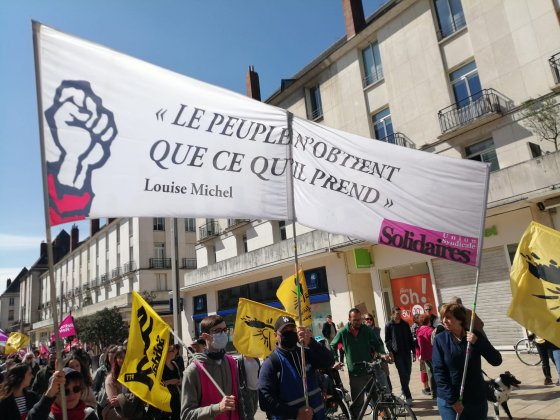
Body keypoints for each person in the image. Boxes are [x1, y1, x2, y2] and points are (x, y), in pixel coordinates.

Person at [432, 303, 502, 420]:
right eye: (442, 317)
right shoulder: (440, 340)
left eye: (448, 317)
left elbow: (496, 360)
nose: (444, 321)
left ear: (460, 319)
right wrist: (453, 401)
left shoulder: (474, 336)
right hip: (450, 401)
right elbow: (438, 372)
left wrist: (478, 342)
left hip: (476, 399)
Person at [259, 315, 334, 420]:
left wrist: (311, 342)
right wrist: (295, 413)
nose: (289, 332)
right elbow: (265, 401)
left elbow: (329, 361)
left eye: (292, 329)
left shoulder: (305, 354)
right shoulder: (271, 363)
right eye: (285, 330)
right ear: (276, 335)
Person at [181, 315, 241, 420]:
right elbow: (186, 415)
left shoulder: (231, 362)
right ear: (205, 336)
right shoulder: (193, 371)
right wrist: (217, 408)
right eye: (218, 331)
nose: (223, 334)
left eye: (224, 330)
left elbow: (239, 401)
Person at [331, 308, 388, 417]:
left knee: (379, 401)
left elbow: (377, 343)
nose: (358, 322)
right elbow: (333, 345)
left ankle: (385, 417)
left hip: (369, 371)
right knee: (358, 404)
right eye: (355, 320)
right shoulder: (343, 332)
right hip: (355, 374)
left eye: (359, 319)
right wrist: (335, 360)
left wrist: (382, 353)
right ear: (349, 319)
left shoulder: (366, 329)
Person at [27, 367, 98, 420]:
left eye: (76, 389)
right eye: (65, 391)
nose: (72, 395)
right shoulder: (47, 417)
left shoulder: (89, 416)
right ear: (54, 394)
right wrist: (49, 395)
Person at [102, 346, 145, 419]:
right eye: (120, 357)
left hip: (136, 411)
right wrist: (130, 398)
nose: (123, 360)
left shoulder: (136, 375)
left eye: (126, 357)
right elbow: (114, 403)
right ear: (116, 359)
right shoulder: (111, 378)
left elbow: (141, 394)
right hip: (118, 413)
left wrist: (121, 399)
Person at [385, 306, 415, 406]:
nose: (399, 315)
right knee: (402, 374)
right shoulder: (389, 325)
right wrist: (391, 351)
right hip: (397, 354)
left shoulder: (405, 324)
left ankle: (404, 389)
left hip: (407, 352)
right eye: (397, 313)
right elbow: (387, 340)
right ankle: (408, 396)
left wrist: (414, 351)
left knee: (408, 373)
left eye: (400, 313)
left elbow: (410, 338)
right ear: (392, 314)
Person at [416, 313, 436, 399]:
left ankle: (433, 393)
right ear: (428, 321)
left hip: (424, 355)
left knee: (430, 374)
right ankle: (436, 392)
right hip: (432, 354)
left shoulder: (418, 330)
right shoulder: (430, 330)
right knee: (436, 373)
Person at [410, 313, 429, 396]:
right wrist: (419, 351)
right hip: (420, 349)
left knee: (426, 368)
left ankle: (427, 386)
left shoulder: (421, 326)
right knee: (423, 368)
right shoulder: (415, 327)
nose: (420, 318)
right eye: (419, 317)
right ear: (415, 319)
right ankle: (426, 387)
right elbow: (415, 341)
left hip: (422, 349)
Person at [237, 355, 260, 420]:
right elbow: (237, 375)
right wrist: (242, 387)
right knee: (249, 413)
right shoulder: (240, 359)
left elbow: (259, 372)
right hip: (246, 390)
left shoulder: (256, 358)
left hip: (256, 389)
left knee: (255, 408)